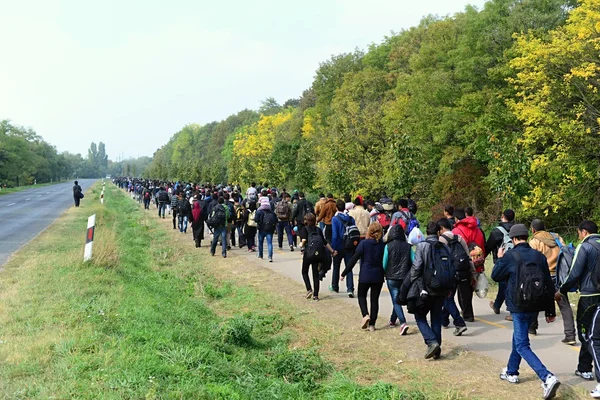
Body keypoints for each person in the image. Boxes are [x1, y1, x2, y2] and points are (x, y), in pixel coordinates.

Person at [492, 224, 560, 400]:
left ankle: (547, 377)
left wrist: (499, 259)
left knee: (522, 344)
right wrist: (550, 311)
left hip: (518, 306)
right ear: (526, 236)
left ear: (514, 239)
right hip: (535, 306)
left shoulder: (510, 256)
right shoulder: (538, 256)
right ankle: (512, 371)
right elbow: (547, 283)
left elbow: (495, 276)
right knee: (519, 339)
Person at [558, 220, 600, 383]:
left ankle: (592, 370)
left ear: (584, 232)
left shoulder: (585, 246)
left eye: (579, 233)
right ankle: (584, 368)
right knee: (594, 334)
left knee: (586, 334)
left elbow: (574, 273)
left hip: (589, 296)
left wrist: (561, 290)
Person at [409, 222, 451, 359]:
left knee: (419, 315)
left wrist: (413, 281)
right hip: (442, 288)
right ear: (439, 232)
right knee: (436, 318)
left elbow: (417, 267)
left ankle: (432, 342)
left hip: (426, 287)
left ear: (426, 232)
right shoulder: (445, 247)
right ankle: (437, 350)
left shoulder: (422, 246)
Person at [529, 219, 575, 342]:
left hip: (543, 276)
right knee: (564, 306)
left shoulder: (534, 241)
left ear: (533, 229)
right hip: (559, 275)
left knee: (535, 301)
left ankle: (532, 327)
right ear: (545, 227)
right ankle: (570, 335)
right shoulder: (556, 237)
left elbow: (533, 260)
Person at [341, 222, 386, 332]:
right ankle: (372, 325)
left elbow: (353, 259)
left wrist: (344, 273)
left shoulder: (364, 244)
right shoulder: (382, 245)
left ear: (369, 231)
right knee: (374, 300)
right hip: (378, 275)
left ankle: (365, 314)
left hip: (365, 274)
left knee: (361, 295)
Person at [438, 218, 473, 336]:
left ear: (441, 229)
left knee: (447, 298)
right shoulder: (459, 238)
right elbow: (468, 256)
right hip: (463, 272)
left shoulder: (442, 239)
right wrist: (472, 273)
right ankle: (444, 320)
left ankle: (459, 323)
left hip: (451, 273)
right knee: (449, 297)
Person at [299, 213, 336, 301]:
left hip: (308, 254)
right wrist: (332, 251)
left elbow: (304, 240)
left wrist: (301, 245)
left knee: (304, 271)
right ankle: (316, 295)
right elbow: (325, 242)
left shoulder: (304, 229)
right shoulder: (318, 229)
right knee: (315, 274)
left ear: (306, 221)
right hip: (318, 254)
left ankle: (309, 289)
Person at [487, 209, 516, 320]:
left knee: (504, 284)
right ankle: (497, 305)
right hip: (516, 259)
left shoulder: (497, 231)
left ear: (502, 216)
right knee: (509, 284)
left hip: (502, 259)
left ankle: (511, 311)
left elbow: (489, 246)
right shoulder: (517, 228)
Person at [383, 224, 411, 335]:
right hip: (405, 277)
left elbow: (384, 263)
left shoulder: (388, 246)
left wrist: (385, 272)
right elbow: (414, 260)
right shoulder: (408, 246)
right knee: (397, 299)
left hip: (391, 276)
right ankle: (393, 320)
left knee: (396, 300)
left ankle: (403, 322)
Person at [330, 199, 356, 298]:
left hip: (339, 246)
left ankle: (335, 286)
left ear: (336, 208)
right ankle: (350, 288)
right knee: (349, 267)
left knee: (336, 266)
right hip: (349, 246)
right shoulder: (351, 218)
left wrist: (333, 248)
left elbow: (335, 235)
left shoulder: (335, 219)